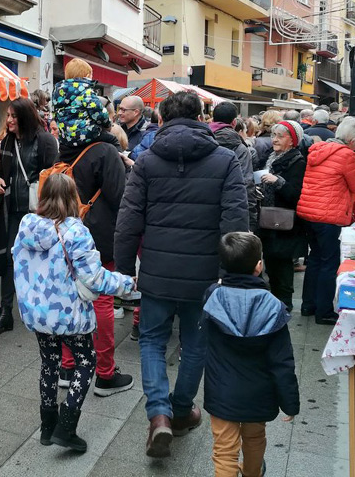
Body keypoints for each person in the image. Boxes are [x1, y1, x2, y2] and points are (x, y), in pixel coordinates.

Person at [113, 91, 248, 459]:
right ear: (202, 117)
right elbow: (235, 222)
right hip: (205, 275)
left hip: (157, 272)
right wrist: (230, 273)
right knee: (196, 344)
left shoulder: (146, 161)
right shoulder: (224, 160)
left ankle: (158, 415)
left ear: (161, 120)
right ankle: (181, 408)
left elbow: (128, 222)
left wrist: (125, 271)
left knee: (152, 341)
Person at [12, 173, 135, 453]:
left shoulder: (27, 226)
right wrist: (128, 283)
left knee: (49, 363)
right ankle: (67, 426)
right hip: (68, 314)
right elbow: (95, 280)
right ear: (72, 198)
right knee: (86, 360)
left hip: (39, 314)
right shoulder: (76, 231)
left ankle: (47, 426)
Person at [53, 60, 135, 397]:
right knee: (101, 300)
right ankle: (104, 373)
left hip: (66, 230)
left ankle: (67, 366)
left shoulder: (62, 146)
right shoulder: (104, 151)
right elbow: (120, 199)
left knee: (72, 298)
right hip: (99, 234)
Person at [204, 233, 300, 477]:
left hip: (222, 389)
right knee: (255, 438)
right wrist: (289, 403)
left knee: (224, 450)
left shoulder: (213, 297)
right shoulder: (273, 306)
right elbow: (282, 362)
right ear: (259, 266)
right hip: (259, 392)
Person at [0, 98, 58, 333]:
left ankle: (41, 309)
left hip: (37, 211)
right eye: (7, 116)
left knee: (38, 260)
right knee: (8, 257)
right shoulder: (7, 140)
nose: (8, 120)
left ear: (25, 116)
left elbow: (52, 176)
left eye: (13, 116)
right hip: (10, 209)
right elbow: (0, 170)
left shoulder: (45, 141)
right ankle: (6, 312)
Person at [297, 117, 355, 324]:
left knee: (314, 260)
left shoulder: (319, 149)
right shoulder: (346, 155)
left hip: (309, 212)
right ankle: (324, 311)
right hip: (329, 216)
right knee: (329, 264)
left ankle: (308, 305)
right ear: (353, 139)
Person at [258, 121, 307, 311]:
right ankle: (274, 302)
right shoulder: (269, 157)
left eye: (280, 136)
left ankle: (285, 304)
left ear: (292, 140)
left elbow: (295, 194)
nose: (275, 140)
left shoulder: (297, 161)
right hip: (267, 219)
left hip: (286, 222)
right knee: (270, 262)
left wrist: (277, 181)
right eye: (273, 135)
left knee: (283, 264)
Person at [211, 102, 258, 231]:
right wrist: (251, 221)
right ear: (233, 123)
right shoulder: (240, 147)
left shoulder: (201, 138)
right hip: (231, 209)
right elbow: (246, 183)